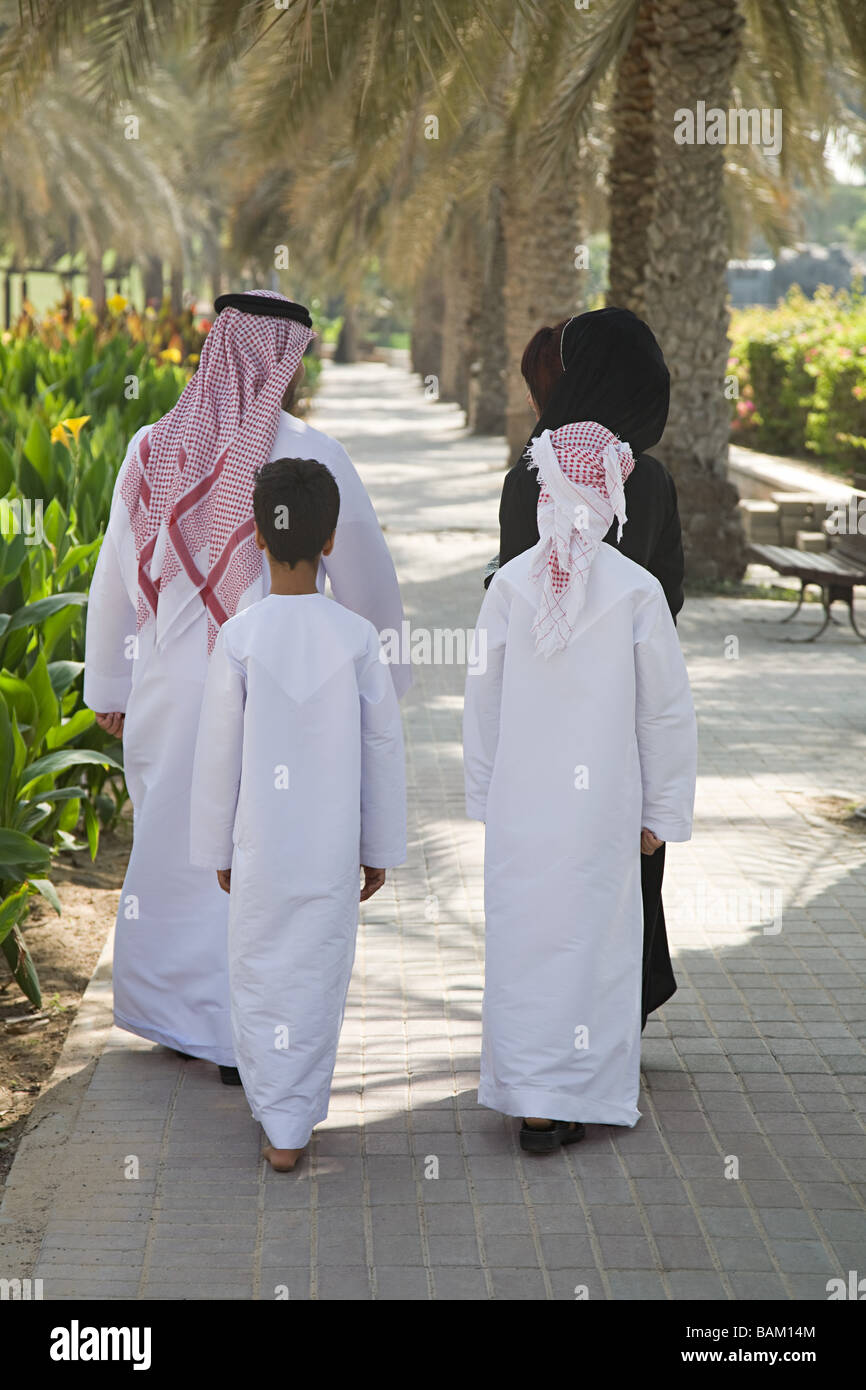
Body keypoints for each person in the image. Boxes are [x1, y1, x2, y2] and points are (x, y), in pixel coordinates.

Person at [84, 290, 409, 1083]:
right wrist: (381, 683)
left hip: (168, 682)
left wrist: (114, 684)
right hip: (278, 694)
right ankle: (243, 1035)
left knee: (177, 839)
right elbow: (369, 585)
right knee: (249, 844)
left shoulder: (152, 445)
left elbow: (115, 579)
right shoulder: (314, 453)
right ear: (285, 364)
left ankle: (178, 1017)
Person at [464, 421, 696, 1152]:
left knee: (528, 939)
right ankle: (575, 1095)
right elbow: (665, 712)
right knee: (591, 943)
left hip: (523, 808)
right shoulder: (637, 590)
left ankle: (531, 1097)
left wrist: (484, 798)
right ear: (608, 493)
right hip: (604, 813)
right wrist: (659, 811)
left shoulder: (509, 584)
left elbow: (482, 705)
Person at [190, 458, 406, 1170]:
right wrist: (379, 846)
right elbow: (382, 749)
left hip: (259, 848)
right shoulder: (355, 639)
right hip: (332, 849)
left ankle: (277, 1119)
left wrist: (216, 848)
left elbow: (218, 755)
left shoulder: (239, 638)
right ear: (333, 540)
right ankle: (296, 1120)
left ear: (255, 533)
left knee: (259, 968)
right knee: (317, 971)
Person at [496, 307, 684, 1026]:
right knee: (627, 863)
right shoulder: (654, 481)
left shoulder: (530, 476)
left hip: (540, 713)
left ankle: (550, 1029)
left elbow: (509, 595)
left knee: (551, 870)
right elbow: (670, 596)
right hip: (625, 711)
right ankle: (614, 1017)